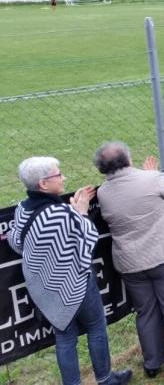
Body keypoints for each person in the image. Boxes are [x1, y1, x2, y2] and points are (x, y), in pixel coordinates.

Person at [9, 157, 133, 385]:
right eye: (58, 174)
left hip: (44, 289)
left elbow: (16, 242)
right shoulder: (58, 214)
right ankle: (105, 379)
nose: (63, 177)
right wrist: (81, 211)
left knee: (65, 338)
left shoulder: (21, 210)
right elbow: (88, 240)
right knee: (96, 327)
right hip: (75, 285)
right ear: (44, 184)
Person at [95, 143, 164, 379]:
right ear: (128, 159)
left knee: (146, 312)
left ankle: (152, 364)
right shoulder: (151, 179)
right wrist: (153, 175)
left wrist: (149, 176)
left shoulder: (103, 192)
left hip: (131, 262)